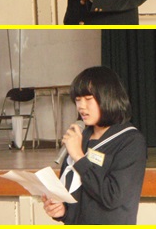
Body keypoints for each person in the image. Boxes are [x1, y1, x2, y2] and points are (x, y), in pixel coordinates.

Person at [42, 66, 147, 224]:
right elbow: (77, 197)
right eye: (78, 99)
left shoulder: (130, 141)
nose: (81, 106)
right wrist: (62, 212)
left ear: (108, 97)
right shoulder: (80, 137)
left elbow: (111, 197)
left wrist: (79, 157)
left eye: (88, 99)